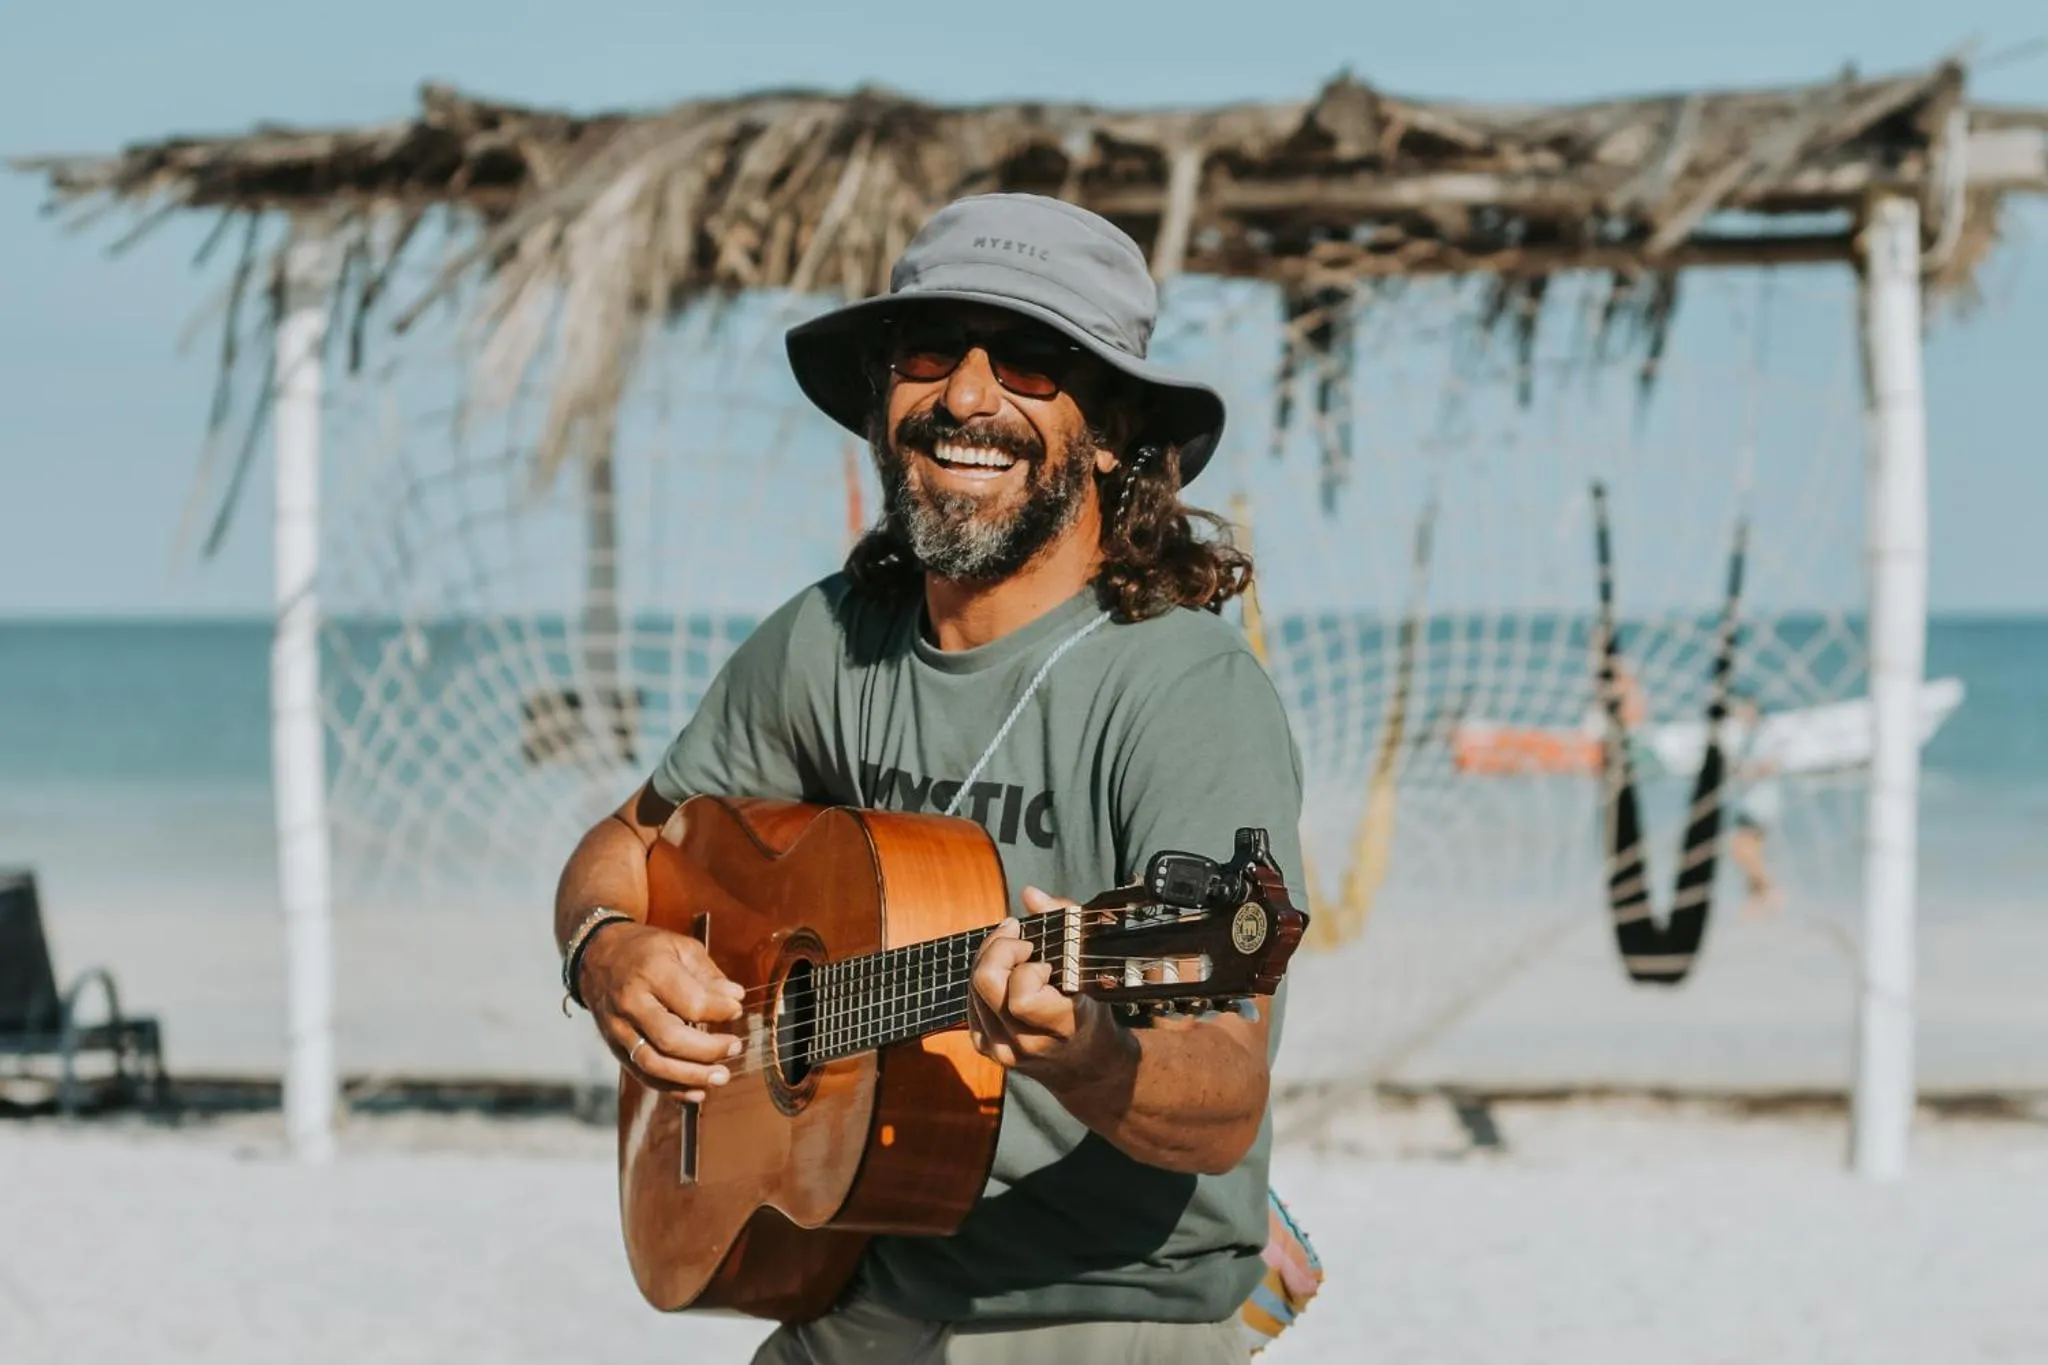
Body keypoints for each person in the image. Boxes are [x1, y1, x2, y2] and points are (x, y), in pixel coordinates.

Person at [551, 192, 1306, 1365]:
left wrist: (1097, 1056)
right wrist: (607, 948)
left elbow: (1222, 1085)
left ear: (1109, 429)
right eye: (928, 352)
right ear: (881, 396)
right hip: (852, 1272)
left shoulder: (1181, 691)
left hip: (1096, 1308)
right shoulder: (830, 639)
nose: (964, 395)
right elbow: (629, 845)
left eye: (1030, 362)